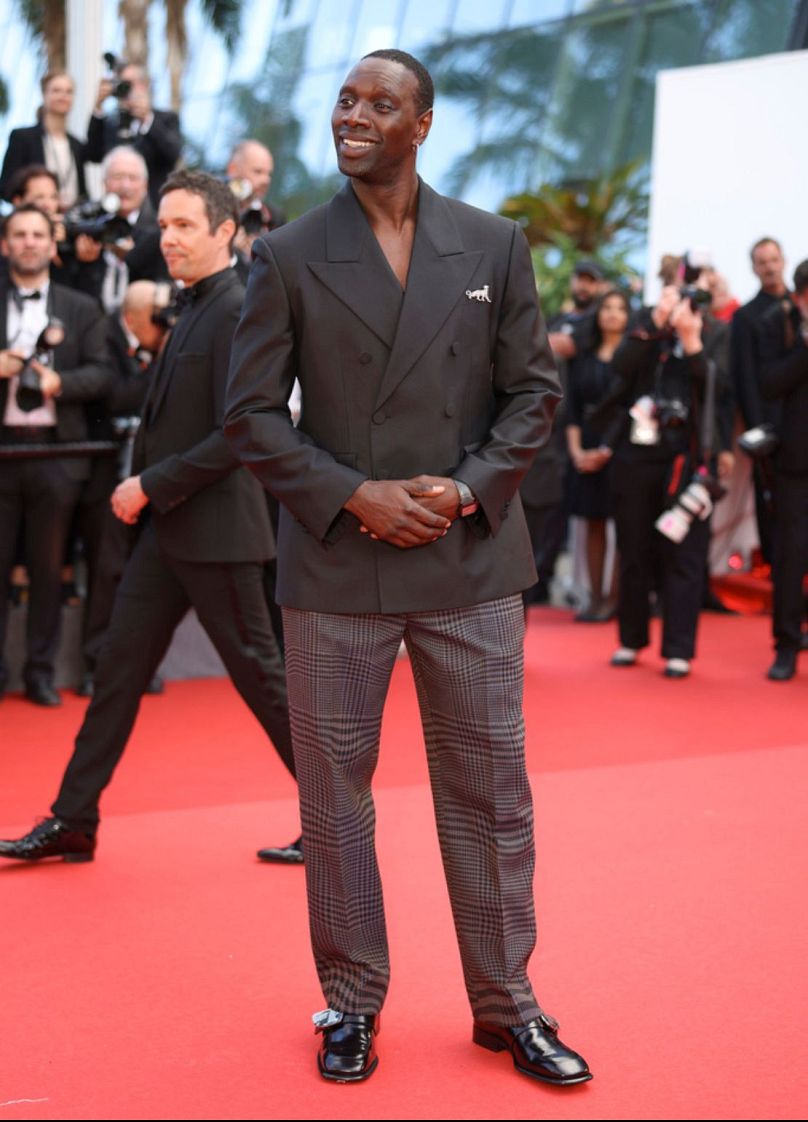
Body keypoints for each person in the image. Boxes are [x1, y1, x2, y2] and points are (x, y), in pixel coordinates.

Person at [225, 49, 591, 1086]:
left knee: (490, 794)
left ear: (421, 125)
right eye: (344, 100)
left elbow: (533, 394)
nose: (354, 116)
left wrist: (467, 486)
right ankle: (349, 1005)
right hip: (338, 567)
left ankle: (506, 1005)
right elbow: (249, 415)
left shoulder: (493, 243)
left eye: (379, 104)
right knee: (334, 801)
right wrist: (352, 494)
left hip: (468, 559)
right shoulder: (288, 255)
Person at [0, 171, 297, 860]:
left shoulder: (235, 308)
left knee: (265, 686)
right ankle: (74, 818)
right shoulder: (190, 305)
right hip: (169, 533)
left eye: (185, 225)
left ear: (225, 231)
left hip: (218, 532)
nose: (168, 238)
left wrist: (149, 484)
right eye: (163, 226)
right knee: (116, 674)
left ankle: (342, 820)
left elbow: (243, 430)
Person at [0, 204, 110, 704]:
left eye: (36, 234)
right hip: (1, 453)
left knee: (48, 569)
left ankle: (41, 672)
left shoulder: (81, 307)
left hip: (57, 454)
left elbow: (103, 374)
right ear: (5, 245)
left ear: (51, 244)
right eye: (18, 234)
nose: (27, 242)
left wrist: (59, 382)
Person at [595, 282, 731, 678]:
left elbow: (718, 390)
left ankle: (679, 649)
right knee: (634, 551)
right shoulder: (646, 325)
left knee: (684, 554)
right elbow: (621, 366)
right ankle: (630, 639)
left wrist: (691, 339)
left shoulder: (714, 331)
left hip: (686, 461)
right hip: (635, 459)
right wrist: (656, 323)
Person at [756, 258, 808, 681]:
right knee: (790, 555)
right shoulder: (781, 323)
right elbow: (769, 382)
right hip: (795, 462)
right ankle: (786, 644)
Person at [565, 288, 630, 621]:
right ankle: (594, 597)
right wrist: (577, 451)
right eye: (607, 307)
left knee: (621, 525)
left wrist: (606, 450)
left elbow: (632, 409)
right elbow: (572, 409)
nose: (613, 314)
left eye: (620, 308)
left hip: (622, 447)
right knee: (592, 522)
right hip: (586, 445)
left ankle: (616, 599)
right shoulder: (585, 357)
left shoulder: (633, 357)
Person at [731, 238, 789, 565]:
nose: (769, 267)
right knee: (770, 499)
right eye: (762, 262)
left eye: (773, 260)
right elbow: (746, 378)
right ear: (754, 268)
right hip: (767, 426)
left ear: (783, 261)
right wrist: (758, 429)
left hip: (799, 422)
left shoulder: (799, 305)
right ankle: (774, 565)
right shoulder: (746, 316)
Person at [72, 147, 167, 313]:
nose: (125, 185)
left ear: (145, 185)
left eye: (133, 178)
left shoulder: (161, 229)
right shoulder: (88, 225)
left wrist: (132, 257)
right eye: (117, 177)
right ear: (104, 183)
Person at [86, 63, 182, 207]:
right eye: (120, 83)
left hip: (154, 205)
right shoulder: (111, 122)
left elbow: (173, 154)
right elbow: (93, 155)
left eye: (128, 83)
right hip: (117, 206)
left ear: (144, 85)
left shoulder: (165, 119)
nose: (124, 88)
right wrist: (99, 107)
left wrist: (147, 119)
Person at [0, 71, 87, 208]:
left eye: (69, 92)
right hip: (34, 221)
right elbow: (6, 187)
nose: (63, 96)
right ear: (44, 94)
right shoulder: (23, 138)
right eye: (56, 90)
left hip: (71, 221)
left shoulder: (77, 144)